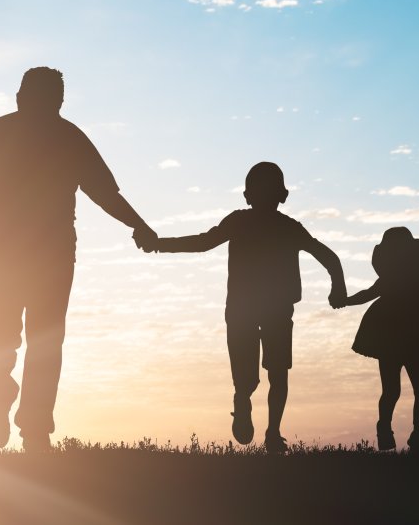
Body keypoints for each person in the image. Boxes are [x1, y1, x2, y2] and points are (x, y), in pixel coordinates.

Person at [0, 67, 156, 452]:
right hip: (32, 256)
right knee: (22, 337)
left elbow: (104, 192)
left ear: (27, 97)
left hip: (22, 256)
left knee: (18, 337)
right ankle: (12, 403)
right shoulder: (53, 136)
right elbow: (106, 194)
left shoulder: (26, 135)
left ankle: (30, 422)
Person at [141, 162, 347, 454]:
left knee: (274, 372)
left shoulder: (282, 227)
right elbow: (328, 257)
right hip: (248, 308)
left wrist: (338, 285)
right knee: (261, 374)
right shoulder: (262, 225)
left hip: (263, 308)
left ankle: (269, 427)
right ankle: (250, 407)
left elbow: (328, 257)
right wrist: (160, 244)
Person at [339, 227, 419, 453]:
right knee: (412, 390)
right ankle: (405, 432)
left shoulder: (399, 279)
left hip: (401, 341)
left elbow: (365, 296)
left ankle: (401, 431)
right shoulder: (409, 278)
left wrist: (345, 301)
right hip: (398, 341)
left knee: (399, 390)